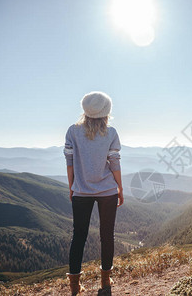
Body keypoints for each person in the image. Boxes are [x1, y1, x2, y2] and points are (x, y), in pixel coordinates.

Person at [64, 91, 124, 296]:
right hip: (107, 190)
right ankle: (105, 282)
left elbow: (69, 162)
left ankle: (74, 286)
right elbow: (114, 163)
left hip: (81, 190)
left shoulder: (72, 131)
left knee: (78, 236)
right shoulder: (111, 133)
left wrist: (72, 186)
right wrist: (120, 187)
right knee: (107, 235)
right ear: (106, 112)